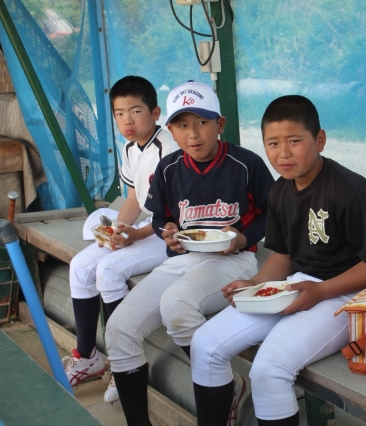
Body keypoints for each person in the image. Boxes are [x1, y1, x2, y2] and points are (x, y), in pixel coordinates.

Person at [190, 95, 366, 426]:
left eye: (294, 141)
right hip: (299, 286)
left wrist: (320, 291)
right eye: (273, 143)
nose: (283, 153)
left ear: (320, 140)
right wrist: (253, 285)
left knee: (268, 369)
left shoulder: (350, 191)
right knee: (205, 344)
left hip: (349, 297)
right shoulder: (279, 191)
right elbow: (284, 255)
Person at [104, 80, 275, 426]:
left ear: (220, 124)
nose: (193, 133)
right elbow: (160, 217)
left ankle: (224, 388)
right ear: (171, 129)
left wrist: (243, 238)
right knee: (118, 329)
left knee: (176, 305)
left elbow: (273, 214)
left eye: (201, 122)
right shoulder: (169, 167)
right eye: (182, 125)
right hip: (183, 258)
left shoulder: (245, 163)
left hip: (233, 259)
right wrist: (166, 232)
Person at [63, 75, 179, 403]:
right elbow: (132, 199)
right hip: (145, 227)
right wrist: (117, 231)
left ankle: (122, 364)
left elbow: (173, 214)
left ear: (155, 113)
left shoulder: (168, 146)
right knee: (80, 265)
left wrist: (134, 235)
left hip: (170, 233)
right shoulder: (129, 148)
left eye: (135, 111)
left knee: (109, 270)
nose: (127, 120)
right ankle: (87, 356)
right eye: (119, 113)